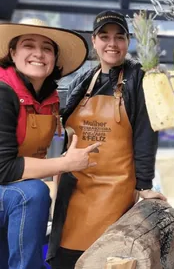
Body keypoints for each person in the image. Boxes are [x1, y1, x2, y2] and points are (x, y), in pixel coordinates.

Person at [47, 10, 165, 268]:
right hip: (75, 189)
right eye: (104, 36)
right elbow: (66, 131)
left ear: (128, 41)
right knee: (68, 259)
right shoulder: (83, 79)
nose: (112, 44)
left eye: (119, 37)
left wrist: (145, 184)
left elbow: (146, 133)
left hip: (115, 191)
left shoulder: (139, 77)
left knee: (108, 258)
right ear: (94, 41)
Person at [0, 18, 101, 269]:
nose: (38, 54)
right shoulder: (3, 92)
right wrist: (64, 164)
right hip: (10, 185)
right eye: (28, 45)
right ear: (12, 53)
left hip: (8, 190)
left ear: (55, 57)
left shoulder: (49, 97)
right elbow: (3, 169)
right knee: (33, 193)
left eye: (47, 48)